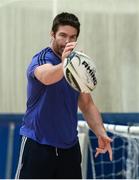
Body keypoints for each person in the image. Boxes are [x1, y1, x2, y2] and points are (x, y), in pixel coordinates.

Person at [15, 12, 112, 179]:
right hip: (38, 146)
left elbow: (87, 104)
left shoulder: (77, 66)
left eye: (72, 37)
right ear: (52, 34)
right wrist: (64, 64)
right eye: (62, 35)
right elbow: (46, 77)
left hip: (69, 150)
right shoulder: (41, 59)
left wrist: (100, 132)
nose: (67, 41)